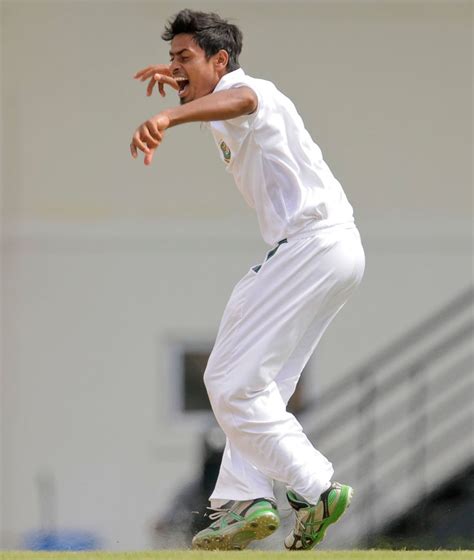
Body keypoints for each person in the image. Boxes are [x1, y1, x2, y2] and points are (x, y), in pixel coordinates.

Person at [130, 9, 365, 551]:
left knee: (225, 381)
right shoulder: (221, 98)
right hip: (334, 249)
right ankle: (244, 497)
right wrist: (186, 83)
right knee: (259, 389)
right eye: (171, 60)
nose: (174, 68)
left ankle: (315, 486)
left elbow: (243, 99)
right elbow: (224, 103)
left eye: (185, 58)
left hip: (310, 244)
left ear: (221, 60)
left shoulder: (249, 89)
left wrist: (169, 116)